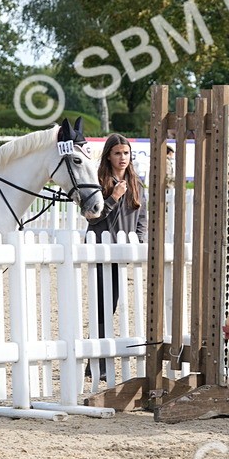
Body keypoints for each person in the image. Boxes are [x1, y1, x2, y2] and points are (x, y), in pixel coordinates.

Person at [86, 133, 148, 383]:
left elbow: (142, 217)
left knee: (110, 307)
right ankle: (96, 362)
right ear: (109, 156)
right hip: (101, 250)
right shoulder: (98, 181)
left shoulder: (136, 183)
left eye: (126, 153)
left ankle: (95, 361)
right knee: (103, 307)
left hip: (123, 252)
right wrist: (113, 197)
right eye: (117, 153)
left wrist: (138, 242)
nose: (123, 158)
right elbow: (92, 217)